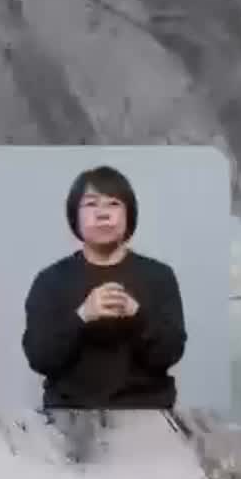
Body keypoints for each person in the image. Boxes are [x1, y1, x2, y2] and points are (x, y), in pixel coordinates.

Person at [20, 164, 187, 409]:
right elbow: (40, 359)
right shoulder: (51, 280)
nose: (103, 214)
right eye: (91, 204)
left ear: (129, 214)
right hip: (70, 416)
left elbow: (169, 355)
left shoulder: (159, 276)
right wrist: (82, 316)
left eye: (113, 204)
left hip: (147, 412)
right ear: (74, 216)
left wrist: (137, 316)